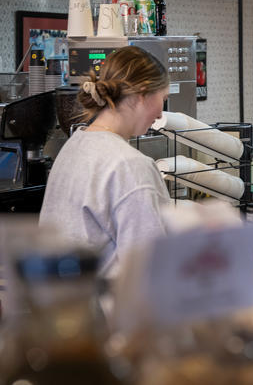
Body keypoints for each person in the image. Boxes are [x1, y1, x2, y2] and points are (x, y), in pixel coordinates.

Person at [39, 46, 170, 278]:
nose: (161, 114)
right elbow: (151, 268)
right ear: (142, 95)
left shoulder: (74, 146)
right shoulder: (130, 165)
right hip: (108, 310)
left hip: (62, 304)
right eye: (164, 99)